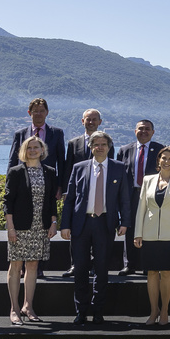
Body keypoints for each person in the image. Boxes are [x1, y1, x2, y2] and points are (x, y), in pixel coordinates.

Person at [61, 132, 130, 326]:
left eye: (103, 144)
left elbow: (124, 198)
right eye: (96, 144)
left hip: (105, 223)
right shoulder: (79, 168)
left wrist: (124, 222)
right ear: (90, 147)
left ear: (109, 147)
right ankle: (81, 311)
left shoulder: (118, 168)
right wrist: (65, 225)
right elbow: (70, 199)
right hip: (81, 224)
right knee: (81, 270)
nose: (100, 147)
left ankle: (98, 311)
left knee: (102, 270)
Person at [4, 137, 59, 325]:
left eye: (36, 147)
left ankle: (28, 306)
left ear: (42, 150)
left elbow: (52, 200)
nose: (33, 150)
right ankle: (14, 309)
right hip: (19, 227)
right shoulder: (16, 172)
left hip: (40, 226)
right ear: (24, 151)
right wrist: (10, 228)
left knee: (33, 266)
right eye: (29, 148)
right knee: (16, 266)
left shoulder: (50, 172)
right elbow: (8, 202)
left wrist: (53, 222)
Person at [132, 147, 170, 326]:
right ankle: (153, 310)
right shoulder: (148, 180)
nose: (166, 161)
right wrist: (138, 233)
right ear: (158, 160)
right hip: (148, 234)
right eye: (163, 158)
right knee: (151, 273)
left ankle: (164, 310)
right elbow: (141, 208)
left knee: (166, 273)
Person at [117, 120, 163, 276]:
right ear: (135, 130)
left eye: (147, 129)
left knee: (148, 229)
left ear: (153, 132)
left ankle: (146, 264)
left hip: (151, 195)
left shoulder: (160, 150)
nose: (144, 131)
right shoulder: (124, 150)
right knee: (129, 229)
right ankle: (129, 264)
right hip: (130, 195)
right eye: (141, 129)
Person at [7, 98, 68, 183]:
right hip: (23, 182)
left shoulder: (57, 133)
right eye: (35, 111)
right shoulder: (20, 134)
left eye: (42, 111)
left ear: (47, 112)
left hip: (49, 183)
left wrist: (60, 186)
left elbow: (61, 162)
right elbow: (12, 161)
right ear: (29, 113)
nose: (38, 114)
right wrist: (9, 183)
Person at [63, 109, 113, 193]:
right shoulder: (73, 143)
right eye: (88, 119)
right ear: (83, 121)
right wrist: (66, 191)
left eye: (94, 120)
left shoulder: (107, 144)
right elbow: (68, 169)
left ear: (100, 122)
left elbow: (111, 166)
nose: (91, 122)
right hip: (77, 189)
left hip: (100, 188)